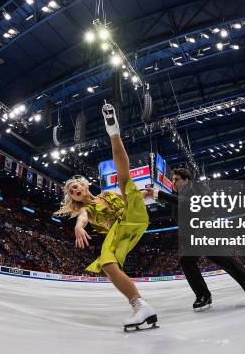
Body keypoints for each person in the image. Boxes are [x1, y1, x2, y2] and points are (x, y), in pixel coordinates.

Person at [54, 103, 158, 332]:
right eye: (71, 191)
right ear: (74, 198)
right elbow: (81, 218)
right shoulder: (85, 210)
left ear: (84, 184)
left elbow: (128, 196)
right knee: (108, 264)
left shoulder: (107, 194)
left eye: (75, 186)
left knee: (125, 181)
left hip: (131, 217)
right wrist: (78, 228)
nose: (74, 191)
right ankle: (140, 306)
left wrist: (144, 193)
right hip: (118, 234)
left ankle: (113, 132)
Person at [146, 168, 245, 311]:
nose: (173, 182)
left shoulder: (195, 189)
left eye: (176, 179)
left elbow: (186, 203)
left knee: (225, 261)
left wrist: (158, 194)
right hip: (193, 234)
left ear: (186, 180)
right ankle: (203, 296)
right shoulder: (179, 194)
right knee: (187, 261)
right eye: (173, 179)